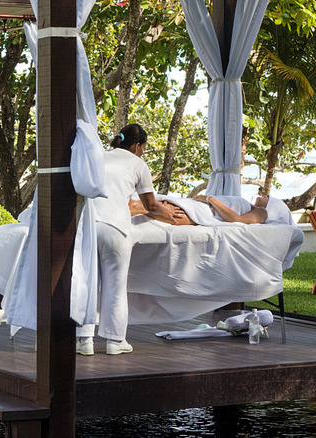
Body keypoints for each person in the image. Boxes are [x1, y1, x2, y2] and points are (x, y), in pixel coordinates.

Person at [76, 123, 183, 356]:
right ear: (137, 146)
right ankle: (115, 341)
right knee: (115, 285)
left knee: (88, 283)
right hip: (116, 228)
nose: (143, 152)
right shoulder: (138, 163)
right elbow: (150, 205)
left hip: (90, 225)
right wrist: (165, 212)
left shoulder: (99, 157)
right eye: (143, 147)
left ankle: (84, 340)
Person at [130, 194, 293, 226]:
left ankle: (138, 207)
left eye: (266, 196)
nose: (262, 194)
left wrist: (211, 199)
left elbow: (237, 219)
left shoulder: (261, 212)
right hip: (206, 206)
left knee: (179, 212)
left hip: (209, 210)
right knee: (172, 206)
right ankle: (137, 207)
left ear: (272, 205)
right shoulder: (255, 207)